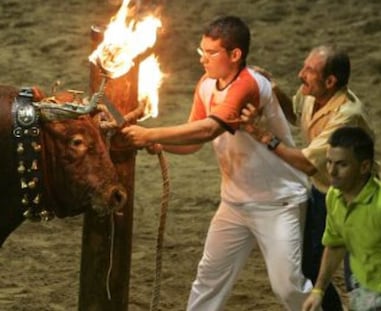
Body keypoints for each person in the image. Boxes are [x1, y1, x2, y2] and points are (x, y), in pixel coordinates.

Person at [121, 15, 315, 311]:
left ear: (235, 55)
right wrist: (158, 143)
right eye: (202, 51)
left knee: (288, 287)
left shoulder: (248, 84)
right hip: (235, 204)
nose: (203, 59)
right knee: (208, 280)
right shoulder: (207, 84)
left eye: (211, 53)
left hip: (278, 202)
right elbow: (194, 141)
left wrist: (149, 132)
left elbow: (210, 128)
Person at [241, 45, 376, 310]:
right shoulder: (314, 96)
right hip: (324, 192)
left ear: (330, 81)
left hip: (357, 200)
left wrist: (263, 136)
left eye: (309, 70)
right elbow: (295, 114)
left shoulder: (347, 115)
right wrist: (275, 88)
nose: (301, 74)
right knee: (311, 266)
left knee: (358, 277)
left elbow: (306, 163)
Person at [302, 126, 381, 311]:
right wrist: (318, 291)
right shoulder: (333, 197)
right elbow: (335, 243)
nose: (331, 171)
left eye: (342, 164)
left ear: (364, 167)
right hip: (365, 293)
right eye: (329, 162)